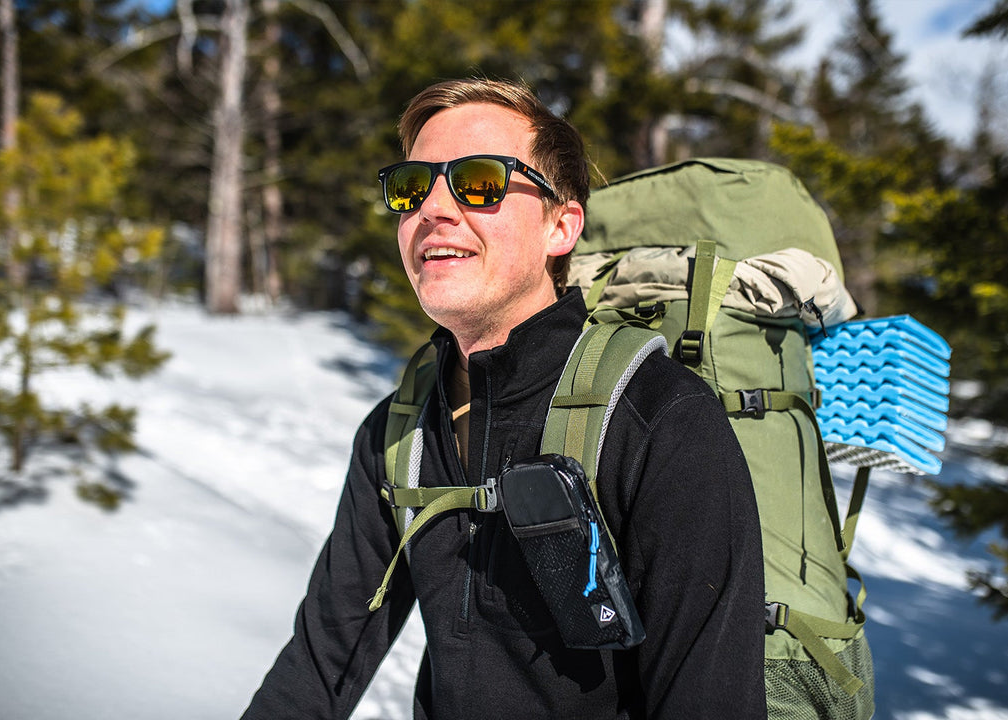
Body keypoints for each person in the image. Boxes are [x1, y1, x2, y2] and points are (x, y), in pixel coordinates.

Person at [241, 77, 766, 720]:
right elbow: (320, 666)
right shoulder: (398, 434)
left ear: (560, 226)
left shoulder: (662, 421)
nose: (432, 208)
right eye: (412, 187)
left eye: (480, 181)